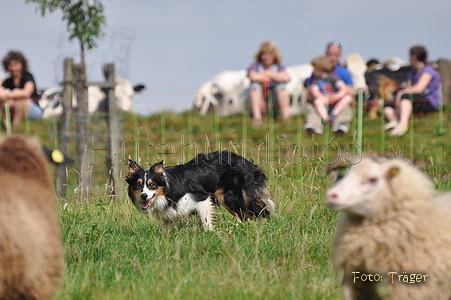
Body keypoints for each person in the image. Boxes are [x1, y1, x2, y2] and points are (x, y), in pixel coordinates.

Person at [384, 45, 441, 136]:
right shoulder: (412, 72)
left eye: (409, 56)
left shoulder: (428, 71)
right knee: (387, 105)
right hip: (415, 100)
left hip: (429, 102)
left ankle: (403, 125)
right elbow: (408, 87)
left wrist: (402, 93)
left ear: (414, 57)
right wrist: (400, 93)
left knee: (405, 97)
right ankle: (394, 122)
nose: (409, 59)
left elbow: (419, 88)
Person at [304, 41, 354, 135]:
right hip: (322, 102)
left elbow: (349, 92)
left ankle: (340, 125)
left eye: (335, 54)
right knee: (314, 106)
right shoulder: (315, 74)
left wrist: (336, 96)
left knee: (346, 104)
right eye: (330, 54)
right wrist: (321, 97)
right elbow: (310, 94)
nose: (333, 57)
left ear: (340, 55)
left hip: (337, 102)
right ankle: (315, 126)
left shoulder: (344, 73)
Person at [247, 40, 290, 127]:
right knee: (254, 86)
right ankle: (257, 118)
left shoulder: (279, 67)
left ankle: (286, 118)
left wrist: (269, 74)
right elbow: (253, 76)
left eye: (269, 54)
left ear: (274, 55)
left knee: (281, 87)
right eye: (264, 54)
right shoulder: (255, 66)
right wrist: (273, 76)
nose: (266, 57)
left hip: (274, 103)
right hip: (261, 101)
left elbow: (286, 78)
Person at [0, 50, 42, 128]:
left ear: (22, 64)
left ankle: (16, 127)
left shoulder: (28, 76)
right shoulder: (7, 81)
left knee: (21, 101)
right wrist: (7, 99)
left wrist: (10, 95)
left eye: (16, 65)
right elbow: (0, 93)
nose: (13, 68)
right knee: (4, 103)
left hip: (33, 111)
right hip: (13, 109)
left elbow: (26, 93)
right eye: (10, 66)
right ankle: (7, 128)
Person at [308, 55, 353, 124]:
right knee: (317, 101)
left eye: (315, 69)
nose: (313, 71)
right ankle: (325, 119)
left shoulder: (333, 78)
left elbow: (343, 88)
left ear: (320, 69)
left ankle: (333, 114)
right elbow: (315, 91)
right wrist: (322, 97)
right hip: (324, 99)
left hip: (334, 98)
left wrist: (338, 95)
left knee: (348, 98)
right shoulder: (316, 80)